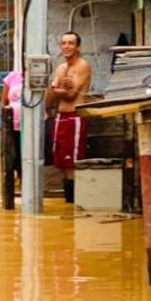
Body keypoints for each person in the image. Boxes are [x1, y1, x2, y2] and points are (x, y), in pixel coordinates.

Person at [44, 31, 92, 203]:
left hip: (75, 117)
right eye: (64, 43)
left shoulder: (82, 65)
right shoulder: (61, 68)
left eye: (71, 43)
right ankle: (68, 201)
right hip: (60, 116)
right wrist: (56, 88)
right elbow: (51, 96)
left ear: (77, 46)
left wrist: (59, 89)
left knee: (73, 161)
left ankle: (74, 201)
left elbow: (71, 95)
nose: (66, 46)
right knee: (60, 161)